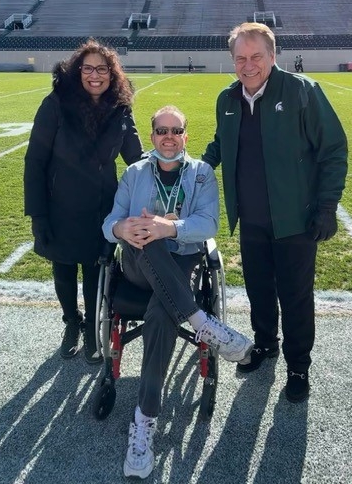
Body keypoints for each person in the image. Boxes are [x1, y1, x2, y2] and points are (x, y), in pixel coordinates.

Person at [102, 105, 253, 480]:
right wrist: (124, 230)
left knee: (160, 312)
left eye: (176, 130)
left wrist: (167, 228)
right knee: (143, 232)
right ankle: (203, 323)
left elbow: (209, 224)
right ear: (151, 137)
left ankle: (144, 420)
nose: (168, 137)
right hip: (138, 263)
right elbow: (111, 221)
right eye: (161, 131)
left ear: (186, 136)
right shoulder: (134, 172)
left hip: (182, 262)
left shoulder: (201, 174)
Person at [203, 22, 348, 404]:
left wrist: (327, 206)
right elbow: (221, 141)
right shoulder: (228, 99)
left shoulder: (302, 90)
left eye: (256, 57)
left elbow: (333, 149)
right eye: (240, 58)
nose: (248, 65)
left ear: (272, 55)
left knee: (295, 295)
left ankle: (298, 366)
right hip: (250, 218)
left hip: (294, 220)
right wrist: (196, 169)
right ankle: (266, 344)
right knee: (259, 289)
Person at [24, 39, 144, 364]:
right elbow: (34, 160)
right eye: (88, 68)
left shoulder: (120, 109)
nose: (95, 75)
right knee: (63, 274)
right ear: (78, 71)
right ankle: (71, 323)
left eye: (101, 69)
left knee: (95, 273)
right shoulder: (56, 104)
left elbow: (136, 157)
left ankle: (92, 329)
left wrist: (170, 165)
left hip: (100, 210)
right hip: (59, 207)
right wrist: (38, 214)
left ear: (111, 74)